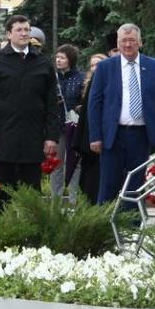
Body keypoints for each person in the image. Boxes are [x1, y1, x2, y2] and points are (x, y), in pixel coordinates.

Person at [88, 23, 155, 204]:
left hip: (141, 136)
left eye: (132, 40)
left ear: (140, 42)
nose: (128, 45)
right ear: (118, 43)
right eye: (123, 41)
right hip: (113, 136)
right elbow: (94, 103)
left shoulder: (153, 66)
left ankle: (133, 227)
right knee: (108, 185)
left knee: (136, 186)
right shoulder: (105, 67)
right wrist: (95, 135)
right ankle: (104, 227)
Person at [0, 14, 60, 210]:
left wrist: (51, 137)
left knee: (32, 194)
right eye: (19, 30)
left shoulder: (42, 62)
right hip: (3, 138)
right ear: (9, 34)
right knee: (0, 192)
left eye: (27, 29)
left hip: (33, 138)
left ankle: (32, 238)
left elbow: (52, 103)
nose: (24, 33)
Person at [50, 44, 85, 201]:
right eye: (57, 57)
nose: (58, 60)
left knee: (75, 163)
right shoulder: (51, 78)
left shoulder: (81, 78)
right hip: (56, 127)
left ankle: (73, 200)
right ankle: (55, 201)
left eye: (62, 57)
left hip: (75, 127)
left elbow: (84, 101)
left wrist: (78, 108)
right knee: (56, 164)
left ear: (70, 59)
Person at [72, 53, 108, 203]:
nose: (95, 68)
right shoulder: (88, 84)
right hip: (89, 136)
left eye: (98, 65)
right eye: (92, 65)